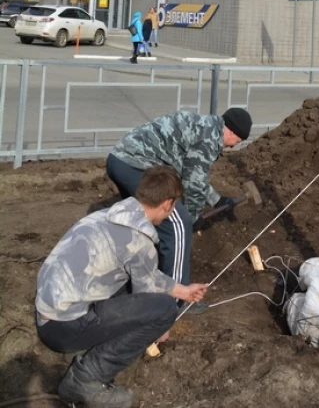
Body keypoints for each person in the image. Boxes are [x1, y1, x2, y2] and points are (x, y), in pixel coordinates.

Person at [36, 166, 207, 408]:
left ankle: (87, 353)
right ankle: (85, 380)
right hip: (63, 328)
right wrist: (162, 325)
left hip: (48, 312)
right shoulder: (140, 242)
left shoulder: (106, 216)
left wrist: (183, 290)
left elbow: (145, 274)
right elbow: (146, 296)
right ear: (168, 204)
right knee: (165, 310)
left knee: (131, 285)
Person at [106, 108, 253, 295]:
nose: (233, 147)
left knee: (142, 223)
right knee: (179, 225)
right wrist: (193, 217)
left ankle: (129, 281)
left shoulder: (204, 127)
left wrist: (217, 200)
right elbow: (192, 184)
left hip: (120, 161)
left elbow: (190, 173)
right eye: (237, 142)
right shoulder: (209, 139)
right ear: (231, 131)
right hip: (136, 166)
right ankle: (177, 299)